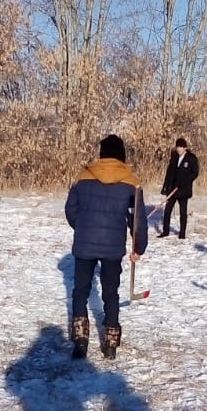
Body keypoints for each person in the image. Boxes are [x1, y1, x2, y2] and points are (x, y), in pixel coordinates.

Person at [65, 134, 149, 359]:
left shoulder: (83, 176)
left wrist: (82, 227)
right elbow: (138, 219)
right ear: (122, 155)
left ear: (101, 154)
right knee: (111, 292)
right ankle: (110, 343)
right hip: (113, 246)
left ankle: (80, 341)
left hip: (84, 245)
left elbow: (70, 209)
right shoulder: (131, 181)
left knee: (80, 291)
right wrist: (138, 247)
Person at [158, 137, 199, 239]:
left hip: (183, 190)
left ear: (185, 148)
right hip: (172, 189)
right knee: (167, 210)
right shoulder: (174, 157)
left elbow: (194, 173)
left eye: (181, 147)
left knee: (182, 212)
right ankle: (165, 231)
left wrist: (183, 183)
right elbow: (169, 173)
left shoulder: (191, 158)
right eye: (177, 147)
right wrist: (165, 187)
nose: (179, 149)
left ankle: (182, 233)